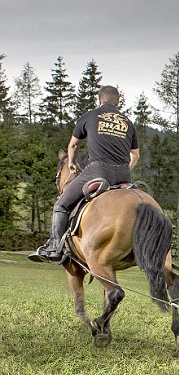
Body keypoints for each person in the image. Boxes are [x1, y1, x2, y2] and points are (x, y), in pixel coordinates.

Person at [29, 85, 139, 263]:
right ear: (118, 102)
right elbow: (135, 155)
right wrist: (125, 170)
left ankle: (55, 247)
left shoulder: (90, 116)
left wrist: (72, 163)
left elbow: (73, 145)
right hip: (124, 175)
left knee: (61, 205)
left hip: (97, 171)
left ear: (99, 100)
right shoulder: (127, 122)